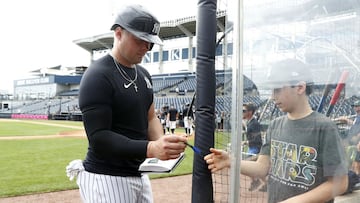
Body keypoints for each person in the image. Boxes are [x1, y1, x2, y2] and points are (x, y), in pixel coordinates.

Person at [66, 4, 187, 203]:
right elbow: (99, 137)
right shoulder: (98, 75)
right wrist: (151, 148)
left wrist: (163, 143)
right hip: (106, 177)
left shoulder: (144, 75)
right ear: (119, 33)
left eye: (150, 43)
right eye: (141, 40)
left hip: (139, 173)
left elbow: (150, 117)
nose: (146, 48)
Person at [204, 58, 348, 203]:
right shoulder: (275, 125)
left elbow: (339, 183)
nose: (273, 97)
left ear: (299, 87)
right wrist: (231, 161)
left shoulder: (325, 127)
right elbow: (262, 167)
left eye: (278, 89)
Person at [242, 102, 265, 191]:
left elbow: (257, 138)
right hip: (252, 147)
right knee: (252, 167)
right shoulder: (250, 122)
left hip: (255, 148)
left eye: (244, 111)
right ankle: (260, 182)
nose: (242, 112)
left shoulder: (254, 123)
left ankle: (257, 181)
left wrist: (247, 142)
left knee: (249, 166)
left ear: (250, 112)